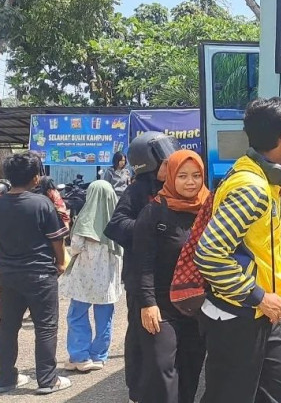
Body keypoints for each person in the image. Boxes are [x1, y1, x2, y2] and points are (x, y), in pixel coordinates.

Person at [195, 97, 281, 403]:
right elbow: (209, 254)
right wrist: (258, 296)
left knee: (277, 396)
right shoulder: (251, 188)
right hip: (238, 318)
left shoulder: (260, 179)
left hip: (258, 316)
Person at [104, 131, 180, 403]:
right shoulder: (138, 191)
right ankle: (138, 392)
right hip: (142, 281)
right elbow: (115, 226)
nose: (171, 168)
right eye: (165, 164)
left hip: (176, 281)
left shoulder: (180, 186)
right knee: (141, 338)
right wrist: (151, 228)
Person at [131, 149, 209, 403]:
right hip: (162, 306)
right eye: (183, 175)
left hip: (197, 306)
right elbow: (141, 264)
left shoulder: (208, 210)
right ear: (171, 176)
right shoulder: (154, 212)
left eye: (196, 175)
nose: (190, 182)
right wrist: (148, 304)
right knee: (163, 370)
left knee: (191, 369)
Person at [0, 152, 72, 394]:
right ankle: (47, 380)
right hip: (40, 274)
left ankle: (5, 378)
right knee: (45, 327)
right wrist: (61, 263)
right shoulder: (41, 203)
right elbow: (57, 240)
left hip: (6, 276)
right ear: (35, 178)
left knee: (7, 326)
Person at [60, 180, 122, 372]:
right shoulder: (118, 220)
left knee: (77, 315)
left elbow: (76, 246)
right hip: (108, 281)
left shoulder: (86, 219)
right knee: (104, 317)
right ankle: (99, 356)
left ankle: (80, 356)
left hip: (84, 279)